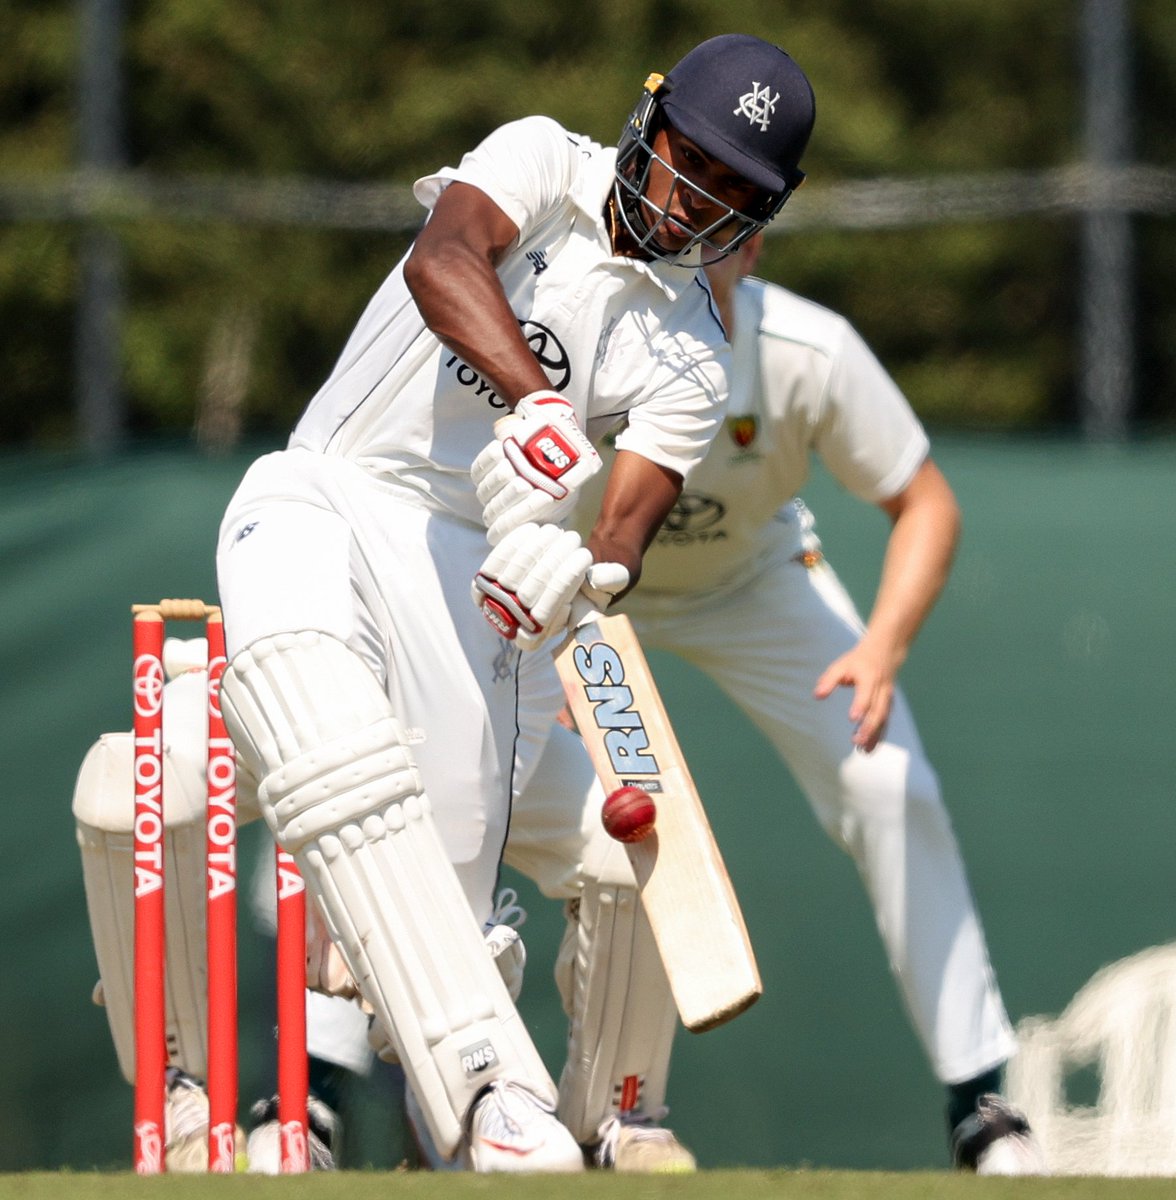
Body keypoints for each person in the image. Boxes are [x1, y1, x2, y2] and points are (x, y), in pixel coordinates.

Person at [210, 31, 816, 1175]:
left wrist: (580, 574)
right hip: (332, 487)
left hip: (469, 579)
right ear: (650, 124)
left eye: (733, 189)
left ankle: (498, 1119)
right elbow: (443, 259)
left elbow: (624, 530)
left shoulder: (694, 355)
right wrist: (538, 404)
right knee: (309, 694)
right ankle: (404, 1091)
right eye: (692, 159)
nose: (697, 199)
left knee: (441, 919)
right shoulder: (543, 160)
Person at [538, 229, 1046, 1173]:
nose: (695, 262)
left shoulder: (811, 351)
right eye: (678, 240)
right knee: (463, 773)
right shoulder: (576, 338)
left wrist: (881, 646)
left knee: (889, 784)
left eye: (723, 239)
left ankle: (980, 1106)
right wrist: (540, 657)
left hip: (756, 584)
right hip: (580, 588)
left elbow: (926, 504)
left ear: (755, 252)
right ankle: (339, 1086)